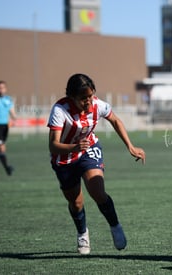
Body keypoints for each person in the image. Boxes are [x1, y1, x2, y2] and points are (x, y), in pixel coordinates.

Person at [48, 73, 145, 255]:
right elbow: (53, 145)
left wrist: (130, 146)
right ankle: (82, 232)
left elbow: (115, 120)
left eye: (90, 96)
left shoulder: (98, 105)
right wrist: (74, 147)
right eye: (82, 98)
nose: (88, 101)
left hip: (88, 149)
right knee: (76, 202)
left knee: (97, 191)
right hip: (64, 158)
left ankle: (115, 226)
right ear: (72, 97)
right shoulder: (60, 110)